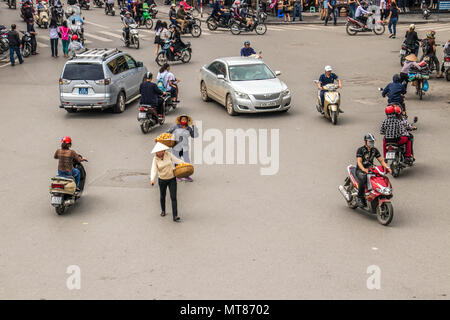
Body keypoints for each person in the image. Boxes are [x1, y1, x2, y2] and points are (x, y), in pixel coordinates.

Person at [355, 133, 391, 208]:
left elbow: (381, 161)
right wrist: (364, 169)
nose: (372, 143)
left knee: (380, 177)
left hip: (370, 169)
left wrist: (387, 168)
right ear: (365, 142)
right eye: (370, 141)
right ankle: (359, 197)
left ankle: (380, 192)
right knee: (363, 178)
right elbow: (359, 162)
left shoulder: (375, 150)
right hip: (360, 170)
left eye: (373, 141)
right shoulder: (360, 150)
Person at [150, 142, 183, 222]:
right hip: (162, 180)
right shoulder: (155, 159)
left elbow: (177, 161)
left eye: (162, 151)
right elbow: (154, 169)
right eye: (159, 151)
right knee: (162, 196)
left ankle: (175, 216)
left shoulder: (169, 155)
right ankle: (163, 211)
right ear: (156, 152)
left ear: (164, 150)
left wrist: (185, 164)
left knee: (173, 197)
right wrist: (152, 179)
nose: (161, 153)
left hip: (172, 178)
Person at [167, 115, 198, 182]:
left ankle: (186, 175)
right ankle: (178, 175)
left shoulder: (189, 128)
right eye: (182, 119)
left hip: (185, 148)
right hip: (176, 148)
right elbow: (168, 132)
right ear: (180, 120)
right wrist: (169, 139)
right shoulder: (175, 127)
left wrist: (194, 127)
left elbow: (195, 136)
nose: (183, 121)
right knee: (177, 162)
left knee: (187, 162)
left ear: (187, 121)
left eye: (185, 120)